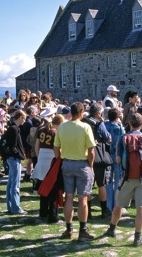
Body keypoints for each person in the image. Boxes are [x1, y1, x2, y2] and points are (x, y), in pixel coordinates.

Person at [103, 113, 142, 247]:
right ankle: (138, 237)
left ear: (129, 124)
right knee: (140, 207)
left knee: (119, 204)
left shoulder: (123, 138)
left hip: (126, 177)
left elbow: (118, 159)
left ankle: (112, 229)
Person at [54, 102, 95, 242]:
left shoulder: (62, 127)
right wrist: (91, 165)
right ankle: (83, 230)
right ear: (82, 112)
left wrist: (60, 158)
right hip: (82, 164)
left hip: (67, 163)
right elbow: (91, 150)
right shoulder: (85, 127)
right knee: (83, 198)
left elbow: (56, 148)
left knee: (69, 197)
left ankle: (69, 228)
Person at [32, 114, 64, 223]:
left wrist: (39, 157)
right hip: (51, 160)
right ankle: (53, 216)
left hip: (42, 157)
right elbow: (58, 148)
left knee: (42, 188)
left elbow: (36, 146)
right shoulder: (56, 132)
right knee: (52, 189)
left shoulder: (41, 130)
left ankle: (43, 213)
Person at [82, 103, 112, 219]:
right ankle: (104, 210)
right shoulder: (99, 123)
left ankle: (88, 212)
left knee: (88, 185)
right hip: (99, 156)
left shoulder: (83, 121)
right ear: (98, 113)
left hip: (85, 155)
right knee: (101, 184)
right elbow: (108, 138)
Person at [5, 110, 27, 215]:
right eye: (24, 118)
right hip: (14, 159)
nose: (25, 121)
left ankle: (10, 206)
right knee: (15, 184)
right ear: (20, 117)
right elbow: (13, 146)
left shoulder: (12, 128)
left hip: (11, 158)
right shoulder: (14, 129)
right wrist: (19, 154)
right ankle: (15, 207)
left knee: (10, 183)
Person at [104, 108, 125, 212]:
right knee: (117, 180)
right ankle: (116, 204)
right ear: (117, 117)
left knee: (108, 180)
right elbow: (123, 141)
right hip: (117, 155)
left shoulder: (104, 126)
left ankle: (108, 205)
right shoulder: (119, 128)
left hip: (106, 155)